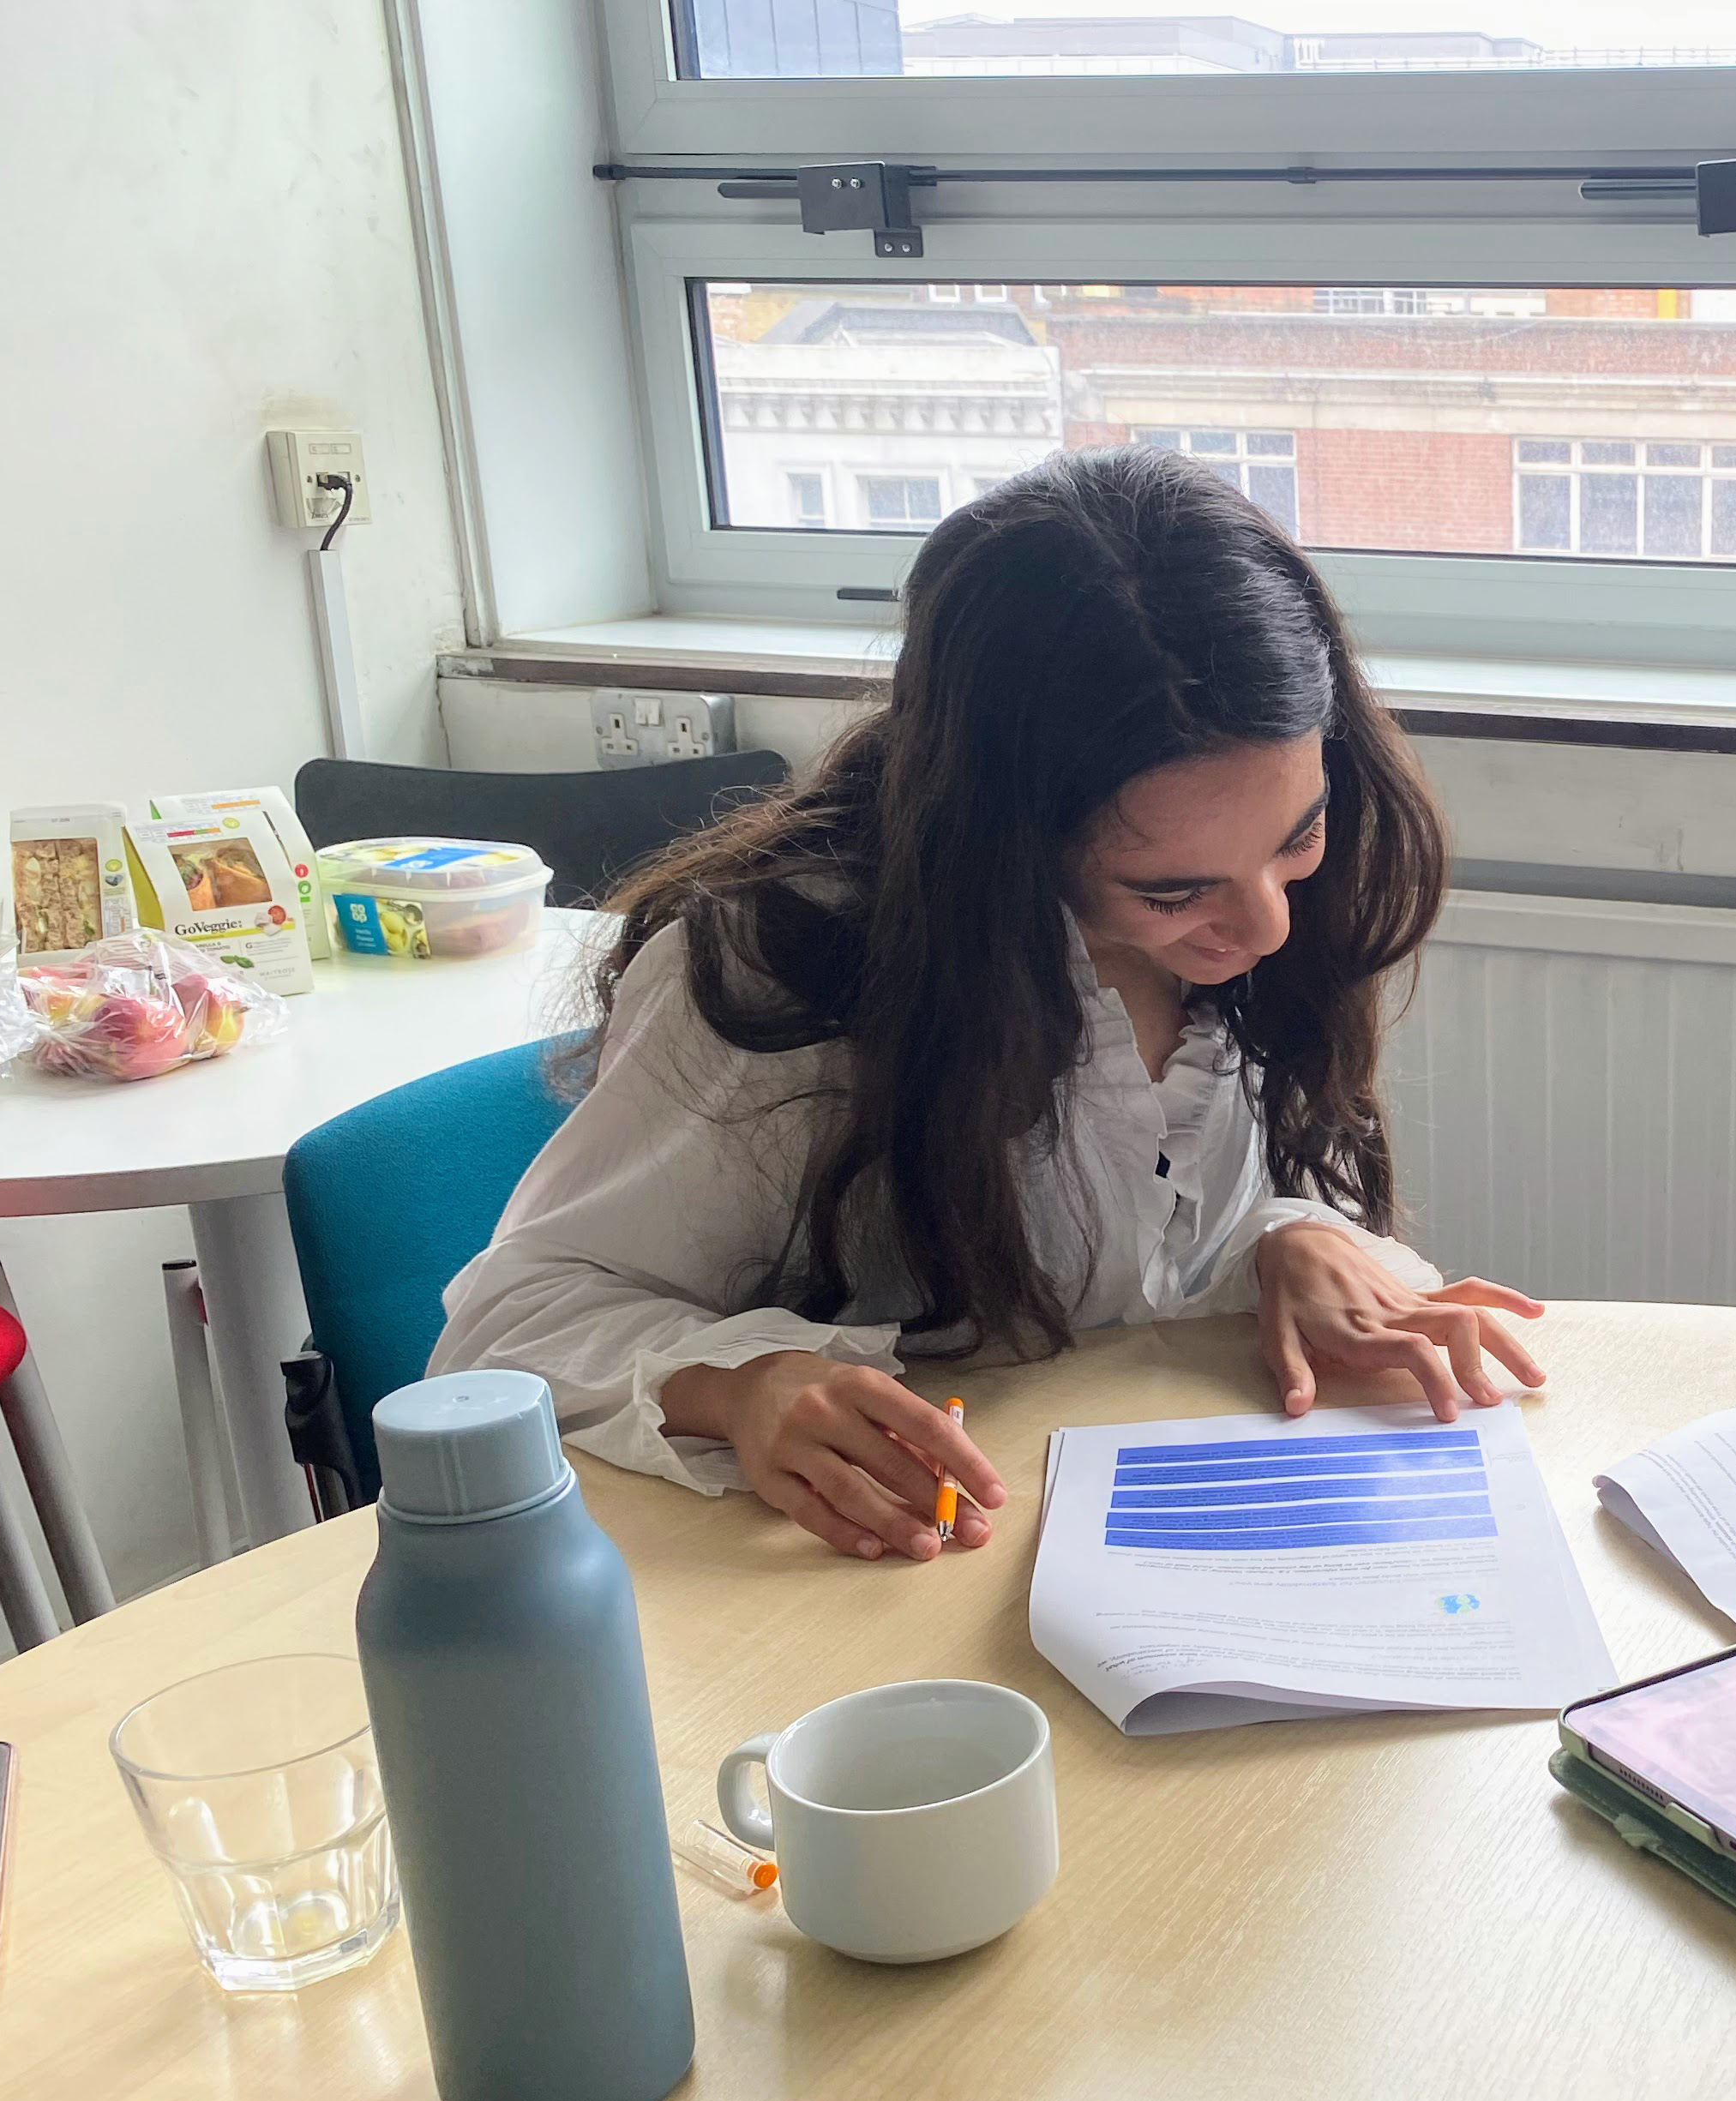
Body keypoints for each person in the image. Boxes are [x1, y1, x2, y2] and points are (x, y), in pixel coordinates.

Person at [435, 447, 1542, 1564]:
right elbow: (507, 1325)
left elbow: (1152, 1259)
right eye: (1172, 892)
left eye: (1298, 837)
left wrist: (1290, 1239)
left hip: (1126, 1531)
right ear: (1002, 844)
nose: (1267, 930)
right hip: (850, 1576)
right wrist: (747, 1385)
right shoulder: (788, 973)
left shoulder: (1256, 923)